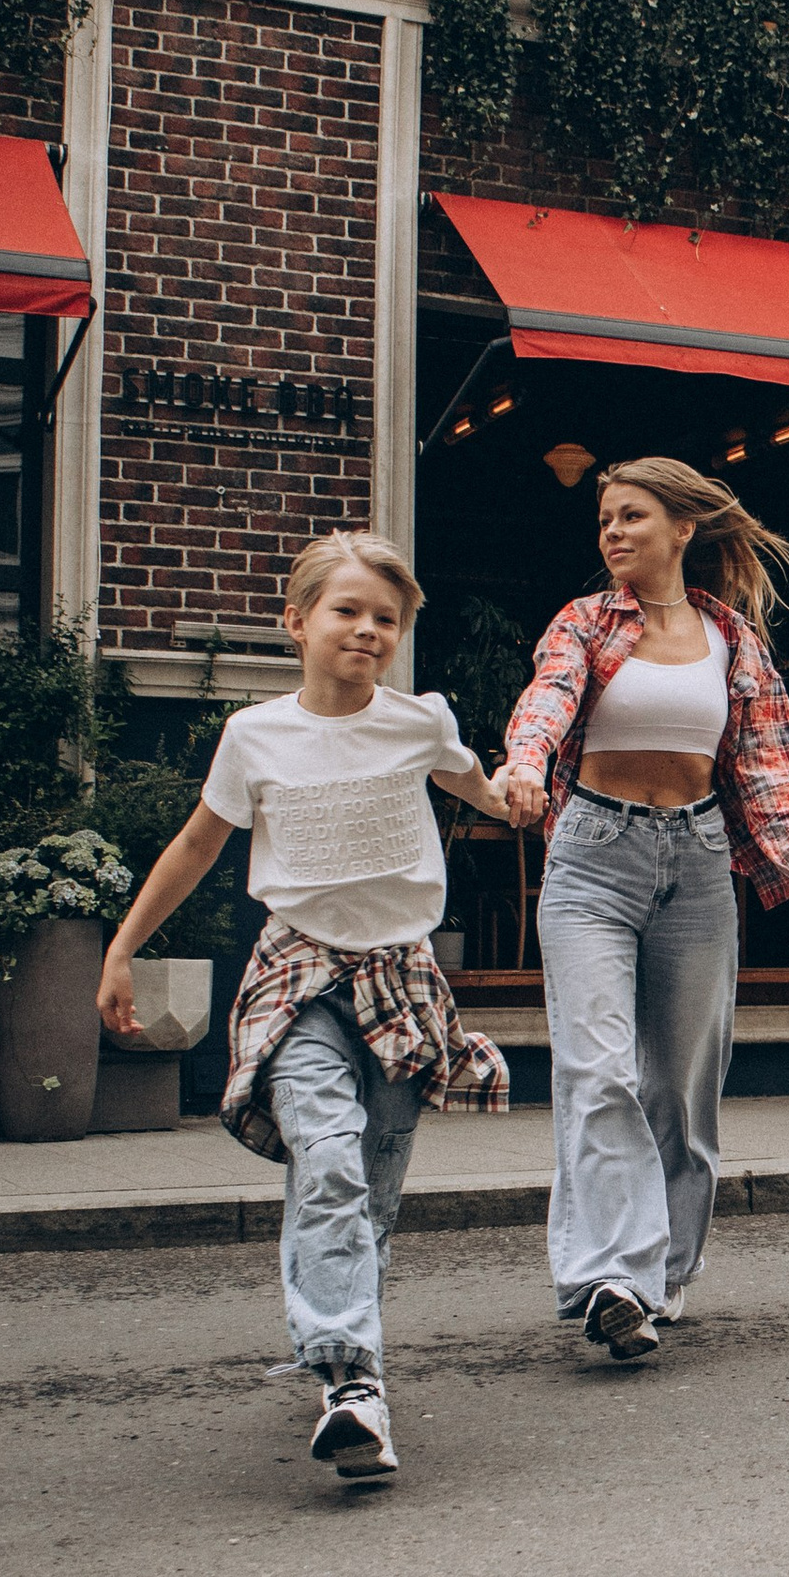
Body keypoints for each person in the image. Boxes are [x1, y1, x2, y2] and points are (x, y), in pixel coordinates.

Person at [98, 530, 516, 1490]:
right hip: (297, 976)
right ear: (296, 623)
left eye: (386, 619)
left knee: (369, 1192)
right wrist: (123, 947)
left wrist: (520, 791)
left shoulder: (419, 724)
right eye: (347, 611)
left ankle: (346, 1353)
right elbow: (199, 845)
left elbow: (487, 794)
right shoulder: (255, 735)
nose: (368, 630)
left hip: (403, 981)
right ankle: (349, 1382)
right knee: (324, 1158)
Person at [496, 452, 789, 1364]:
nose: (613, 533)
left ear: (683, 528)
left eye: (632, 517)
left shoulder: (731, 638)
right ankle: (611, 1277)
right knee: (599, 1070)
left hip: (695, 864)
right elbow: (547, 701)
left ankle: (662, 1271)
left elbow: (768, 762)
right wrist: (525, 767)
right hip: (593, 861)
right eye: (606, 520)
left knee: (685, 1089)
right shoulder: (584, 622)